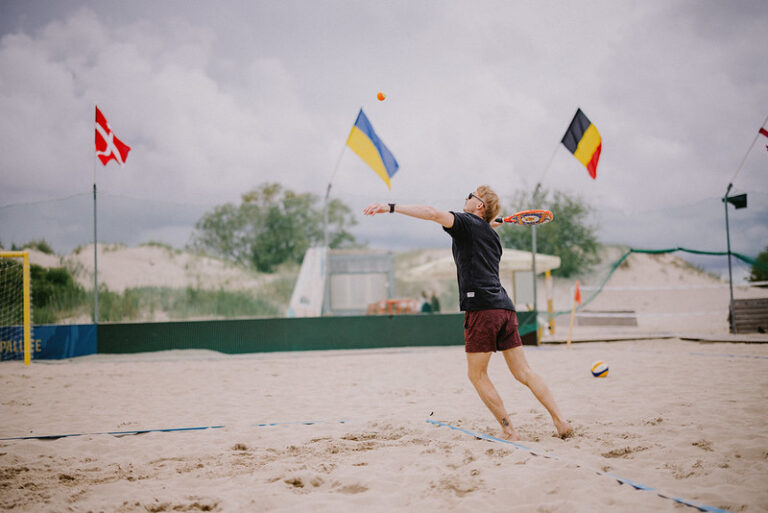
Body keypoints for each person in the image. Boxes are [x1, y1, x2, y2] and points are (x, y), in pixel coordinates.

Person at [363, 186, 572, 440]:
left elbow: (430, 212)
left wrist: (391, 207)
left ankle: (508, 430)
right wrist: (486, 223)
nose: (466, 198)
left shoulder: (466, 223)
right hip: (504, 307)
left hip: (482, 308)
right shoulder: (491, 235)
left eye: (470, 195)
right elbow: (480, 231)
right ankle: (561, 421)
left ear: (479, 205)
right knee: (524, 373)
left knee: (476, 374)